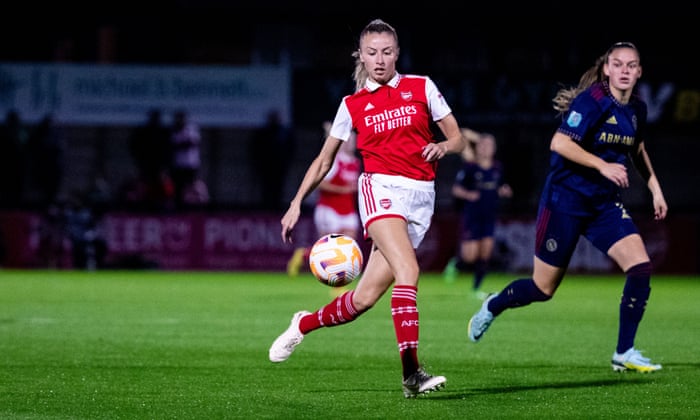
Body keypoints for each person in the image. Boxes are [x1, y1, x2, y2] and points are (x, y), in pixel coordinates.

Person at [269, 19, 466, 398]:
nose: (380, 59)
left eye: (387, 52)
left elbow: (456, 136)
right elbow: (324, 159)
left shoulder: (421, 87)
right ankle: (412, 372)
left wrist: (443, 146)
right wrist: (296, 202)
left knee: (363, 299)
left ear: (397, 53)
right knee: (409, 271)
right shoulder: (352, 104)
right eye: (372, 52)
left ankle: (303, 324)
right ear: (361, 55)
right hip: (380, 190)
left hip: (421, 197)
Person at [466, 42, 668, 373]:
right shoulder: (593, 102)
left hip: (603, 206)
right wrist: (602, 166)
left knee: (640, 267)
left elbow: (639, 148)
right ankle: (494, 304)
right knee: (543, 288)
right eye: (618, 64)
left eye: (632, 65)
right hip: (564, 201)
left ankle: (624, 352)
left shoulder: (637, 109)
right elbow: (559, 142)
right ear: (607, 69)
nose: (625, 71)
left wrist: (655, 189)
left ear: (639, 71)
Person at [286, 121, 361, 277]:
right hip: (329, 208)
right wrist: (343, 189)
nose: (351, 145)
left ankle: (340, 273)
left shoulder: (355, 162)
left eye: (354, 142)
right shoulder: (334, 161)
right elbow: (321, 183)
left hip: (348, 209)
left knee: (349, 245)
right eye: (349, 142)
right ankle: (305, 256)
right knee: (328, 248)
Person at [443, 132, 513, 299]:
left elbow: (500, 186)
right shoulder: (470, 167)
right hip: (472, 216)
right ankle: (456, 263)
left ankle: (475, 289)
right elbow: (456, 190)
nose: (486, 148)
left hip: (489, 216)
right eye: (483, 145)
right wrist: (469, 195)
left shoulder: (497, 168)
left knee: (485, 254)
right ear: (478, 147)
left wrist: (503, 190)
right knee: (470, 256)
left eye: (489, 145)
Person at [249, 109, 296, 211]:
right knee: (266, 188)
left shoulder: (284, 133)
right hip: (265, 166)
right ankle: (266, 208)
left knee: (278, 188)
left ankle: (276, 208)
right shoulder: (263, 133)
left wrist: (286, 161)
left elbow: (291, 148)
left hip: (280, 166)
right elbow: (255, 148)